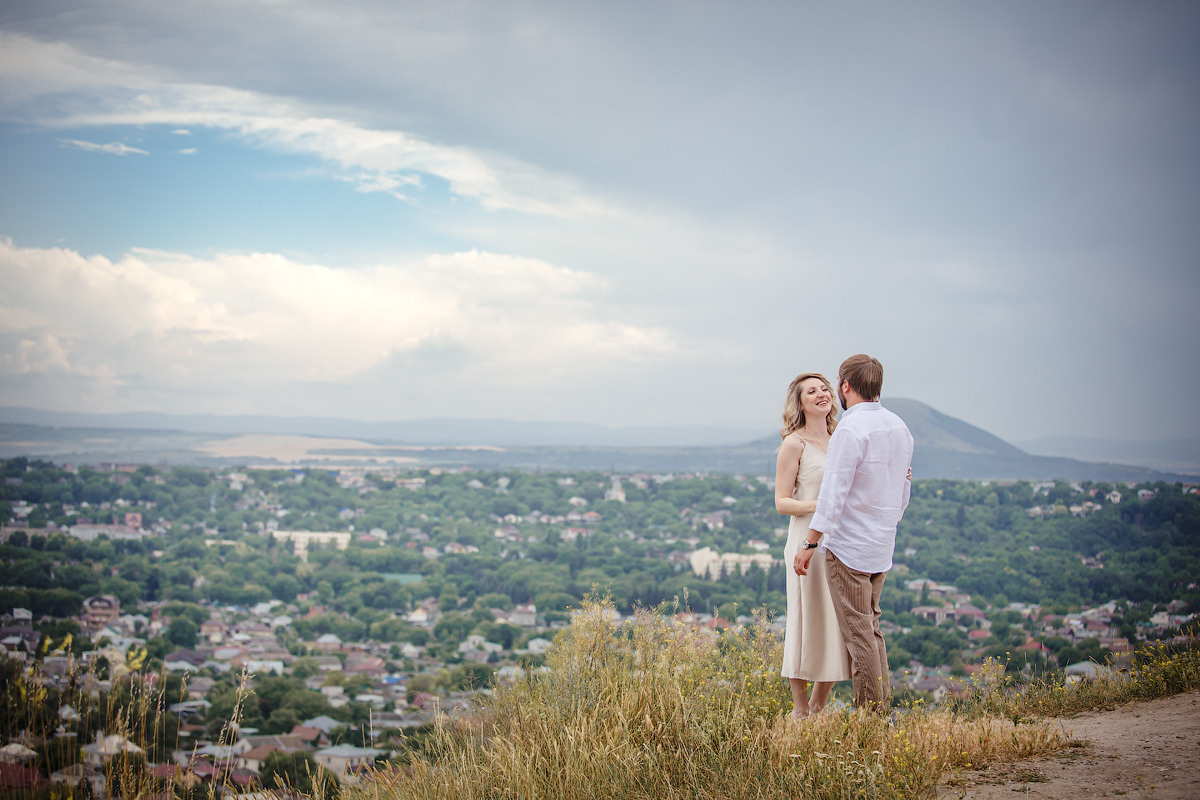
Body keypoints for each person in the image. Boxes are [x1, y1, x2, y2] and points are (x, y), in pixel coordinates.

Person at [793, 354, 913, 712]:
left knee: (859, 636)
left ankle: (873, 717)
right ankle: (882, 713)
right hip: (881, 546)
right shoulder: (899, 427)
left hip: (849, 549)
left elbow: (833, 493)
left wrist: (809, 542)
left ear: (845, 385)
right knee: (872, 631)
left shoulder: (850, 428)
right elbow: (902, 492)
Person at [775, 372, 851, 719]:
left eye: (824, 389)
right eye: (812, 391)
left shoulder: (842, 437)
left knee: (835, 620)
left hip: (840, 539)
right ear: (800, 402)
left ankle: (819, 708)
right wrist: (819, 507)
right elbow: (782, 502)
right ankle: (800, 711)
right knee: (805, 619)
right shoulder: (794, 443)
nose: (821, 395)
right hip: (805, 538)